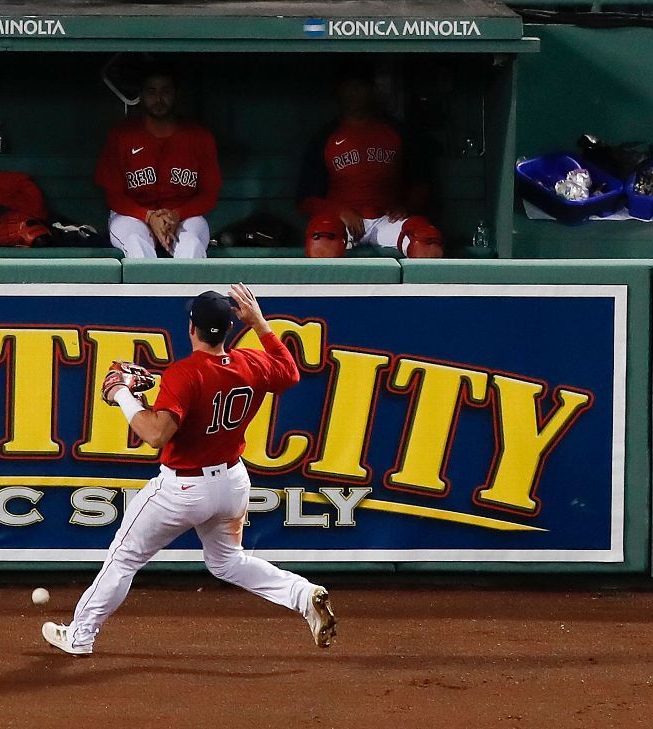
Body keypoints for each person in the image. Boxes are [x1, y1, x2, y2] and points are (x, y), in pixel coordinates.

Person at [42, 284, 337, 656]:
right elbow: (290, 373)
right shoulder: (252, 361)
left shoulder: (185, 373)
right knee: (228, 561)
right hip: (231, 482)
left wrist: (121, 394)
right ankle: (302, 594)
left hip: (183, 489)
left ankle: (80, 636)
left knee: (124, 557)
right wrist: (261, 323)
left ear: (192, 328)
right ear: (229, 328)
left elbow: (154, 434)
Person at [296, 66, 442, 258]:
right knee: (322, 238)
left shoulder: (397, 132)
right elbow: (305, 199)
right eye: (349, 88)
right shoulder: (325, 137)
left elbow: (421, 183)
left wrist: (406, 207)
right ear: (338, 92)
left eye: (360, 87)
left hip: (386, 220)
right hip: (343, 224)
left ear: (372, 91)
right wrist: (339, 211)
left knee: (425, 240)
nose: (354, 94)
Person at [95, 66, 221, 259]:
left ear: (176, 94)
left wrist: (177, 214)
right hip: (131, 216)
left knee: (192, 247)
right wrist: (148, 217)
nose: (159, 98)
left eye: (166, 91)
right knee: (136, 247)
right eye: (151, 91)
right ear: (141, 95)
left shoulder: (199, 137)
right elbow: (113, 196)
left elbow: (209, 195)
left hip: (185, 216)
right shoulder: (121, 136)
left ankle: (187, 291)